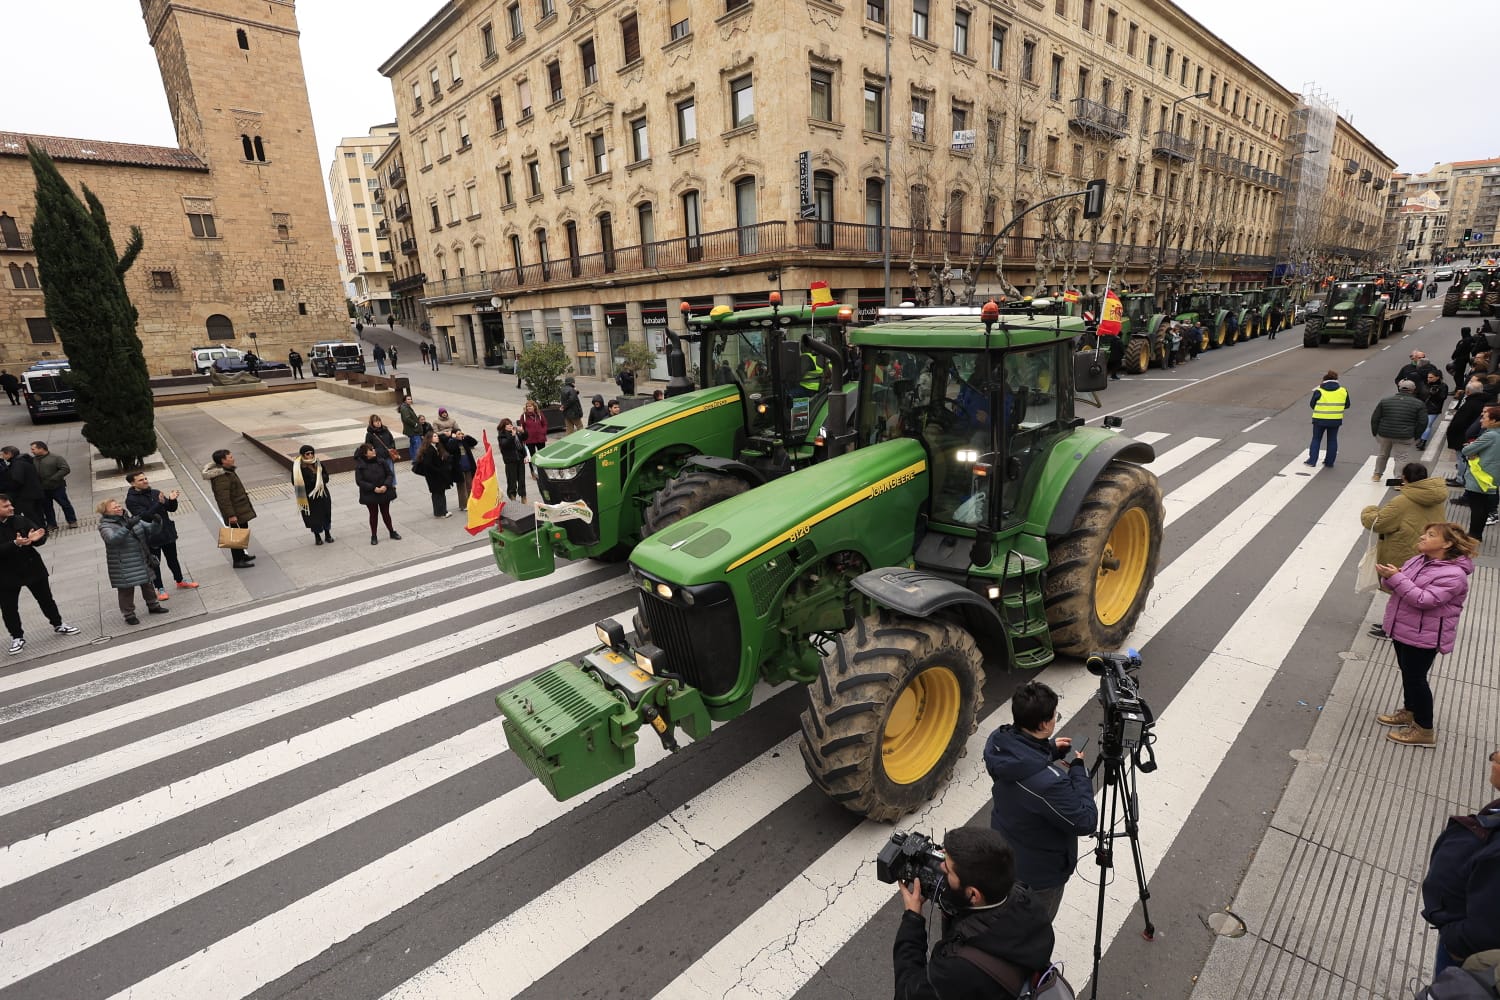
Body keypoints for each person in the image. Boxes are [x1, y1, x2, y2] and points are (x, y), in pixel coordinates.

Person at [892, 826, 1055, 1000]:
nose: (940, 867)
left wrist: (912, 919)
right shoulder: (1027, 901)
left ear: (973, 894)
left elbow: (907, 991)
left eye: (947, 869)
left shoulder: (957, 969)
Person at [984, 680, 1096, 920]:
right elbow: (1085, 821)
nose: (1055, 720)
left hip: (1005, 851)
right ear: (1045, 723)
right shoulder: (1050, 783)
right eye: (1055, 716)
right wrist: (1077, 768)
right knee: (1035, 930)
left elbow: (1022, 758)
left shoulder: (997, 742)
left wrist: (1049, 749)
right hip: (1039, 875)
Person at [1374, 522, 1477, 748]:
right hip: (1404, 628)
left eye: (1430, 535)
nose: (1422, 537)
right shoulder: (1419, 560)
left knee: (1416, 679)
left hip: (1424, 635)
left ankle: (1424, 729)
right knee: (1408, 673)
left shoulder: (1454, 575)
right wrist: (1390, 576)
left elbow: (1425, 600)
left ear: (1447, 544)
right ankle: (1410, 712)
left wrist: (1397, 578)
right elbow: (1400, 587)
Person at [1421, 749, 1500, 979]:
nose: (1495, 756)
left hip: (1469, 955)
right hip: (1466, 937)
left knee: (1450, 987)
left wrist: (1452, 939)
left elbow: (1486, 929)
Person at [1362, 462, 1448, 639]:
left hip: (1405, 550)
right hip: (1430, 549)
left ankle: (1392, 629)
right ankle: (1407, 627)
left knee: (1401, 592)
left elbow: (1378, 523)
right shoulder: (1436, 497)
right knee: (1417, 591)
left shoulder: (1403, 500)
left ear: (1404, 478)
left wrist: (1370, 510)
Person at [0, 493, 81, 655]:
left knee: (45, 599)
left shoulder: (20, 520)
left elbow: (37, 537)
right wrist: (15, 543)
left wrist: (37, 538)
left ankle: (58, 624)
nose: (11, 508)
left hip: (31, 567)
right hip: (6, 573)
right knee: (9, 607)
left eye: (10, 504)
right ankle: (17, 637)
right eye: (6, 506)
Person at [96, 499, 169, 626]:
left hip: (141, 558)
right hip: (123, 563)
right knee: (126, 590)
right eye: (114, 507)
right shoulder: (105, 526)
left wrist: (157, 522)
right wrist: (127, 527)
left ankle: (153, 605)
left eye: (118, 505)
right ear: (106, 512)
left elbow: (151, 530)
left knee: (147, 583)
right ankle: (129, 614)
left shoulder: (131, 519)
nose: (118, 508)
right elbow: (113, 540)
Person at [126, 471, 197, 600]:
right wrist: (158, 504)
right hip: (151, 536)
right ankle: (159, 588)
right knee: (155, 563)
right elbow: (145, 516)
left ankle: (180, 580)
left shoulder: (155, 492)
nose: (145, 481)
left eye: (145, 478)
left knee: (173, 558)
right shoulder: (131, 500)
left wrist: (172, 500)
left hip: (166, 532)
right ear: (132, 483)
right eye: (141, 480)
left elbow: (170, 508)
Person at [202, 449, 257, 568]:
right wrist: (231, 515)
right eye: (230, 457)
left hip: (239, 507)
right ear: (223, 460)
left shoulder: (227, 470)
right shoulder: (221, 476)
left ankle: (242, 555)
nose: (233, 458)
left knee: (241, 530)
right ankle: (237, 560)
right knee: (235, 533)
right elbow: (223, 499)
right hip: (234, 510)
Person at [1369, 380, 1428, 482]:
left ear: (1399, 388)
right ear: (1413, 390)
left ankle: (1377, 475)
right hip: (1405, 435)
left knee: (1382, 454)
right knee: (1401, 458)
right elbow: (1423, 422)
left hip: (1385, 433)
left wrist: (1375, 432)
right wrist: (1416, 435)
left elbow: (1375, 418)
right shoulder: (1419, 404)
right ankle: (1398, 481)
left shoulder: (1385, 400)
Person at [1457, 406, 1500, 539]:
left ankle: (1474, 535)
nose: (1481, 420)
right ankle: (1477, 534)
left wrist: (1471, 450)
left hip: (1480, 476)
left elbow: (1466, 451)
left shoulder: (1490, 435)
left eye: (1485, 417)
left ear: (1494, 421)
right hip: (1492, 475)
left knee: (1477, 507)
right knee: (1484, 506)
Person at [354, 443, 401, 545]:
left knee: (386, 513)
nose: (374, 450)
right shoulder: (360, 466)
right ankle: (374, 536)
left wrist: (385, 485)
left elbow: (390, 474)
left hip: (384, 491)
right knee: (373, 515)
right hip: (370, 494)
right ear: (365, 454)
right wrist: (373, 488)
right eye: (371, 450)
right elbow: (359, 481)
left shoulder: (381, 461)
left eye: (373, 448)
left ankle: (392, 532)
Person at [1306, 370, 1350, 468]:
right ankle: (1329, 462)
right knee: (1332, 440)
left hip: (1319, 420)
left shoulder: (1319, 391)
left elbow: (1312, 404)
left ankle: (1312, 461)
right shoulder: (1343, 391)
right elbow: (1347, 405)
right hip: (1335, 420)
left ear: (1324, 380)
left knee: (1316, 439)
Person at [29, 441, 77, 530]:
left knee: (65, 504)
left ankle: (72, 521)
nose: (32, 451)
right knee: (47, 507)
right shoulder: (34, 460)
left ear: (41, 448)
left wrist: (54, 478)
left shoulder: (56, 458)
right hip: (42, 488)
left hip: (57, 487)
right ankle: (51, 524)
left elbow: (65, 469)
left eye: (33, 449)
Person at [292, 444, 334, 545]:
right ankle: (317, 536)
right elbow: (295, 482)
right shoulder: (298, 468)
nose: (310, 455)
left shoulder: (318, 463)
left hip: (322, 494)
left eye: (312, 453)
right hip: (310, 497)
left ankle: (327, 534)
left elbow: (326, 476)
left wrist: (320, 479)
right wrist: (314, 479)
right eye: (307, 454)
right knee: (314, 518)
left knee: (326, 514)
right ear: (303, 455)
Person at [413, 430, 454, 518]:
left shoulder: (434, 447)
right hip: (434, 476)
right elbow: (428, 464)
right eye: (435, 436)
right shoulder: (429, 449)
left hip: (435, 475)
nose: (437, 437)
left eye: (436, 436)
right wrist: (438, 470)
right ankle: (440, 512)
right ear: (430, 439)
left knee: (440, 492)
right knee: (437, 493)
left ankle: (442, 511)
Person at [0, 445, 45, 525]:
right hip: (35, 492)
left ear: (9, 454)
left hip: (26, 495)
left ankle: (38, 531)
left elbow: (17, 480)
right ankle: (42, 530)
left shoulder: (17, 464)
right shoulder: (25, 460)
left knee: (31, 515)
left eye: (3, 454)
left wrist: (8, 488)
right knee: (38, 514)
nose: (2, 457)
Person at [497, 418, 528, 502]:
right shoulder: (502, 435)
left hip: (520, 458)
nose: (510, 425)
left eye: (510, 423)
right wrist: (512, 436)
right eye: (507, 424)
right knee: (512, 480)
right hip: (510, 461)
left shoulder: (515, 432)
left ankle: (523, 496)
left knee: (521, 479)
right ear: (504, 426)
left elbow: (525, 438)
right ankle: (512, 496)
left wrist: (522, 431)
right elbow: (505, 445)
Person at [365, 414, 399, 485]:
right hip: (378, 458)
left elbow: (391, 440)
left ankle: (392, 485)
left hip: (388, 455)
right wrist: (375, 453)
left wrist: (392, 448)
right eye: (376, 421)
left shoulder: (385, 430)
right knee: (382, 473)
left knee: (391, 471)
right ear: (372, 423)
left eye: (379, 421)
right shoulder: (370, 434)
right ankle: (384, 485)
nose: (378, 423)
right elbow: (368, 446)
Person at [1420, 370, 1449, 448]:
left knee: (1428, 425)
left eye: (1431, 377)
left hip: (1433, 409)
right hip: (1422, 407)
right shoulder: (1425, 384)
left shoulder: (1443, 386)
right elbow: (1420, 394)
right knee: (1421, 424)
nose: (1428, 379)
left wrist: (1435, 394)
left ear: (1437, 377)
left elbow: (1443, 397)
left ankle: (1423, 442)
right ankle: (1420, 437)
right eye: (1428, 377)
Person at [397, 393, 422, 461]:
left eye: (410, 399)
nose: (410, 400)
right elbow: (406, 418)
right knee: (417, 445)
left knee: (413, 444)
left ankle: (414, 459)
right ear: (405, 400)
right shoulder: (405, 408)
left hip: (411, 430)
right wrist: (415, 424)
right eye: (408, 399)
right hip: (413, 430)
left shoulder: (406, 407)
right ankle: (416, 459)